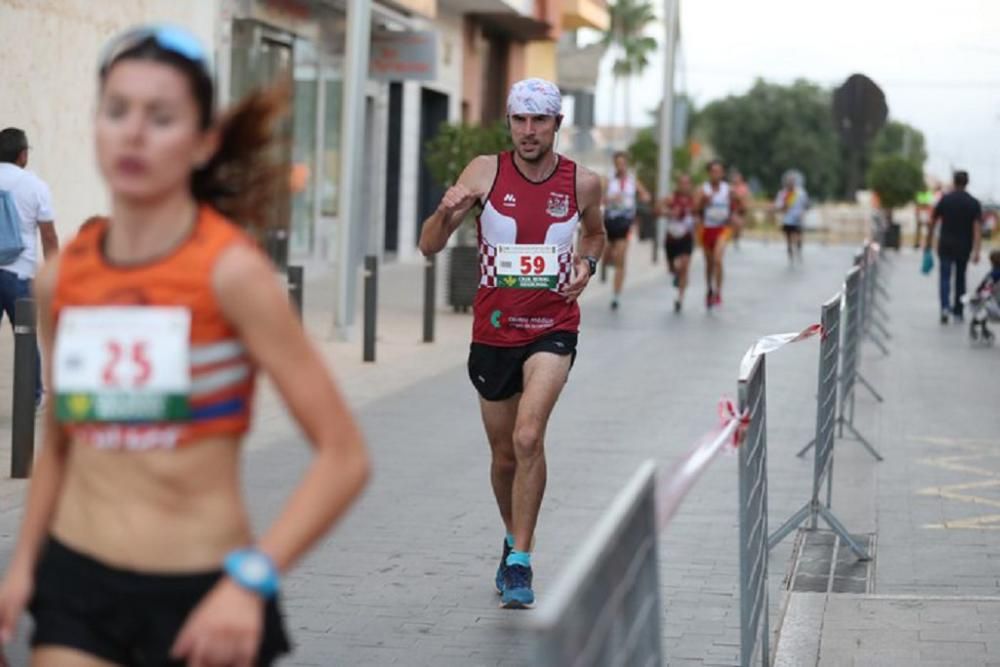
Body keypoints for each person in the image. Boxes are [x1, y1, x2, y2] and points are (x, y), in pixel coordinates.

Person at [0, 25, 370, 666]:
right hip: (78, 586)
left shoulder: (233, 273)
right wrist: (22, 570)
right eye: (117, 111)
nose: (134, 132)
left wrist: (253, 579)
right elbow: (63, 436)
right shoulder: (65, 277)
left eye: (161, 116)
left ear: (202, 143)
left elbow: (344, 456)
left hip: (202, 596)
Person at [418, 78, 605, 609]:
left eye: (539, 120)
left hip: (553, 326)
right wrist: (447, 211)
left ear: (556, 125)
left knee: (528, 437)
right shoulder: (483, 171)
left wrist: (587, 265)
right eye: (519, 120)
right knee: (503, 458)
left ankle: (521, 560)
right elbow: (430, 246)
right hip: (493, 329)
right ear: (509, 122)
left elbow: (595, 234)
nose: (528, 131)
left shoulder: (583, 183)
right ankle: (510, 536)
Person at [0, 128, 59, 408]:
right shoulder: (35, 186)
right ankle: (33, 397)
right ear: (23, 155)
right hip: (19, 273)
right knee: (25, 335)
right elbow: (48, 235)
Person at [926, 170, 983, 324]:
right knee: (960, 279)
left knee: (944, 277)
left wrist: (928, 243)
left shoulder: (945, 200)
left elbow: (933, 222)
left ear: (954, 181)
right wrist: (977, 251)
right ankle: (958, 310)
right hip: (964, 247)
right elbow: (977, 229)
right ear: (967, 182)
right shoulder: (973, 203)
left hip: (945, 245)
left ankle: (944, 307)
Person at [601, 151, 650, 310]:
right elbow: (597, 198)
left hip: (625, 222)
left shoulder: (632, 181)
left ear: (626, 164)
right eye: (618, 163)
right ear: (614, 164)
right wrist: (610, 199)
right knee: (607, 256)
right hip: (609, 221)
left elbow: (645, 195)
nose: (620, 166)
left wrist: (643, 197)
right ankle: (609, 259)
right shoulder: (608, 180)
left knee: (621, 259)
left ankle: (616, 295)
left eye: (623, 163)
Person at [695, 160, 740, 308]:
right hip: (707, 228)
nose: (716, 174)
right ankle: (709, 288)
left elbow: (741, 204)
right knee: (709, 263)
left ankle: (718, 292)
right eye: (713, 171)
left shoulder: (728, 190)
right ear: (709, 173)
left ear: (722, 173)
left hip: (722, 228)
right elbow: (694, 209)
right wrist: (703, 202)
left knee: (718, 260)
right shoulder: (703, 189)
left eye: (718, 171)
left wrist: (735, 211)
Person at [660, 174, 696, 313]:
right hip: (671, 238)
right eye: (682, 183)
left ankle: (679, 299)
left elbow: (700, 213)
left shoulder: (694, 200)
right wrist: (668, 212)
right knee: (672, 269)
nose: (684, 186)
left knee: (684, 266)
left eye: (687, 183)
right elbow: (657, 211)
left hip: (686, 237)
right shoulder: (671, 198)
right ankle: (676, 275)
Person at [774, 171, 809, 263]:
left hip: (797, 219)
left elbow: (806, 204)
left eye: (792, 181)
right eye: (789, 181)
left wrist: (803, 213)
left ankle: (798, 250)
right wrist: (783, 206)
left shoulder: (800, 193)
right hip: (787, 219)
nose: (790, 183)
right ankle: (790, 255)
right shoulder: (782, 193)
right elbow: (778, 205)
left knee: (798, 236)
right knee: (788, 239)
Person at [729, 169, 750, 249]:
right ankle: (733, 238)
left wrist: (736, 196)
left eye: (738, 178)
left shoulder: (743, 187)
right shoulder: (730, 187)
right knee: (735, 223)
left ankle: (736, 238)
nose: (736, 180)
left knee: (740, 226)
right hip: (733, 209)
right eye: (735, 178)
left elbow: (743, 198)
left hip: (742, 209)